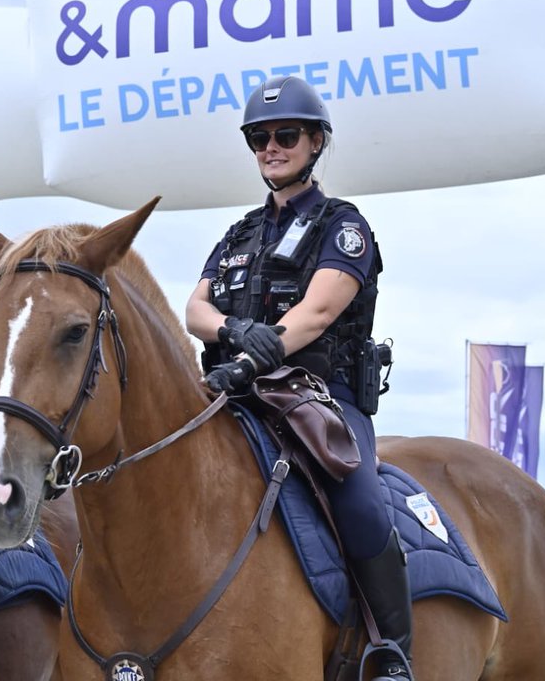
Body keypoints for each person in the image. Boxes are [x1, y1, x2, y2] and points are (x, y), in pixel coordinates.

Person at [185, 76, 410, 681]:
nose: (270, 147)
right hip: (237, 395)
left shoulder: (344, 225)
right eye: (259, 137)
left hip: (321, 399)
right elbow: (195, 310)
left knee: (359, 500)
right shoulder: (238, 234)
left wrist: (260, 354)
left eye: (285, 135)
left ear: (315, 142)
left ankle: (390, 650)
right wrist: (233, 334)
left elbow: (317, 311)